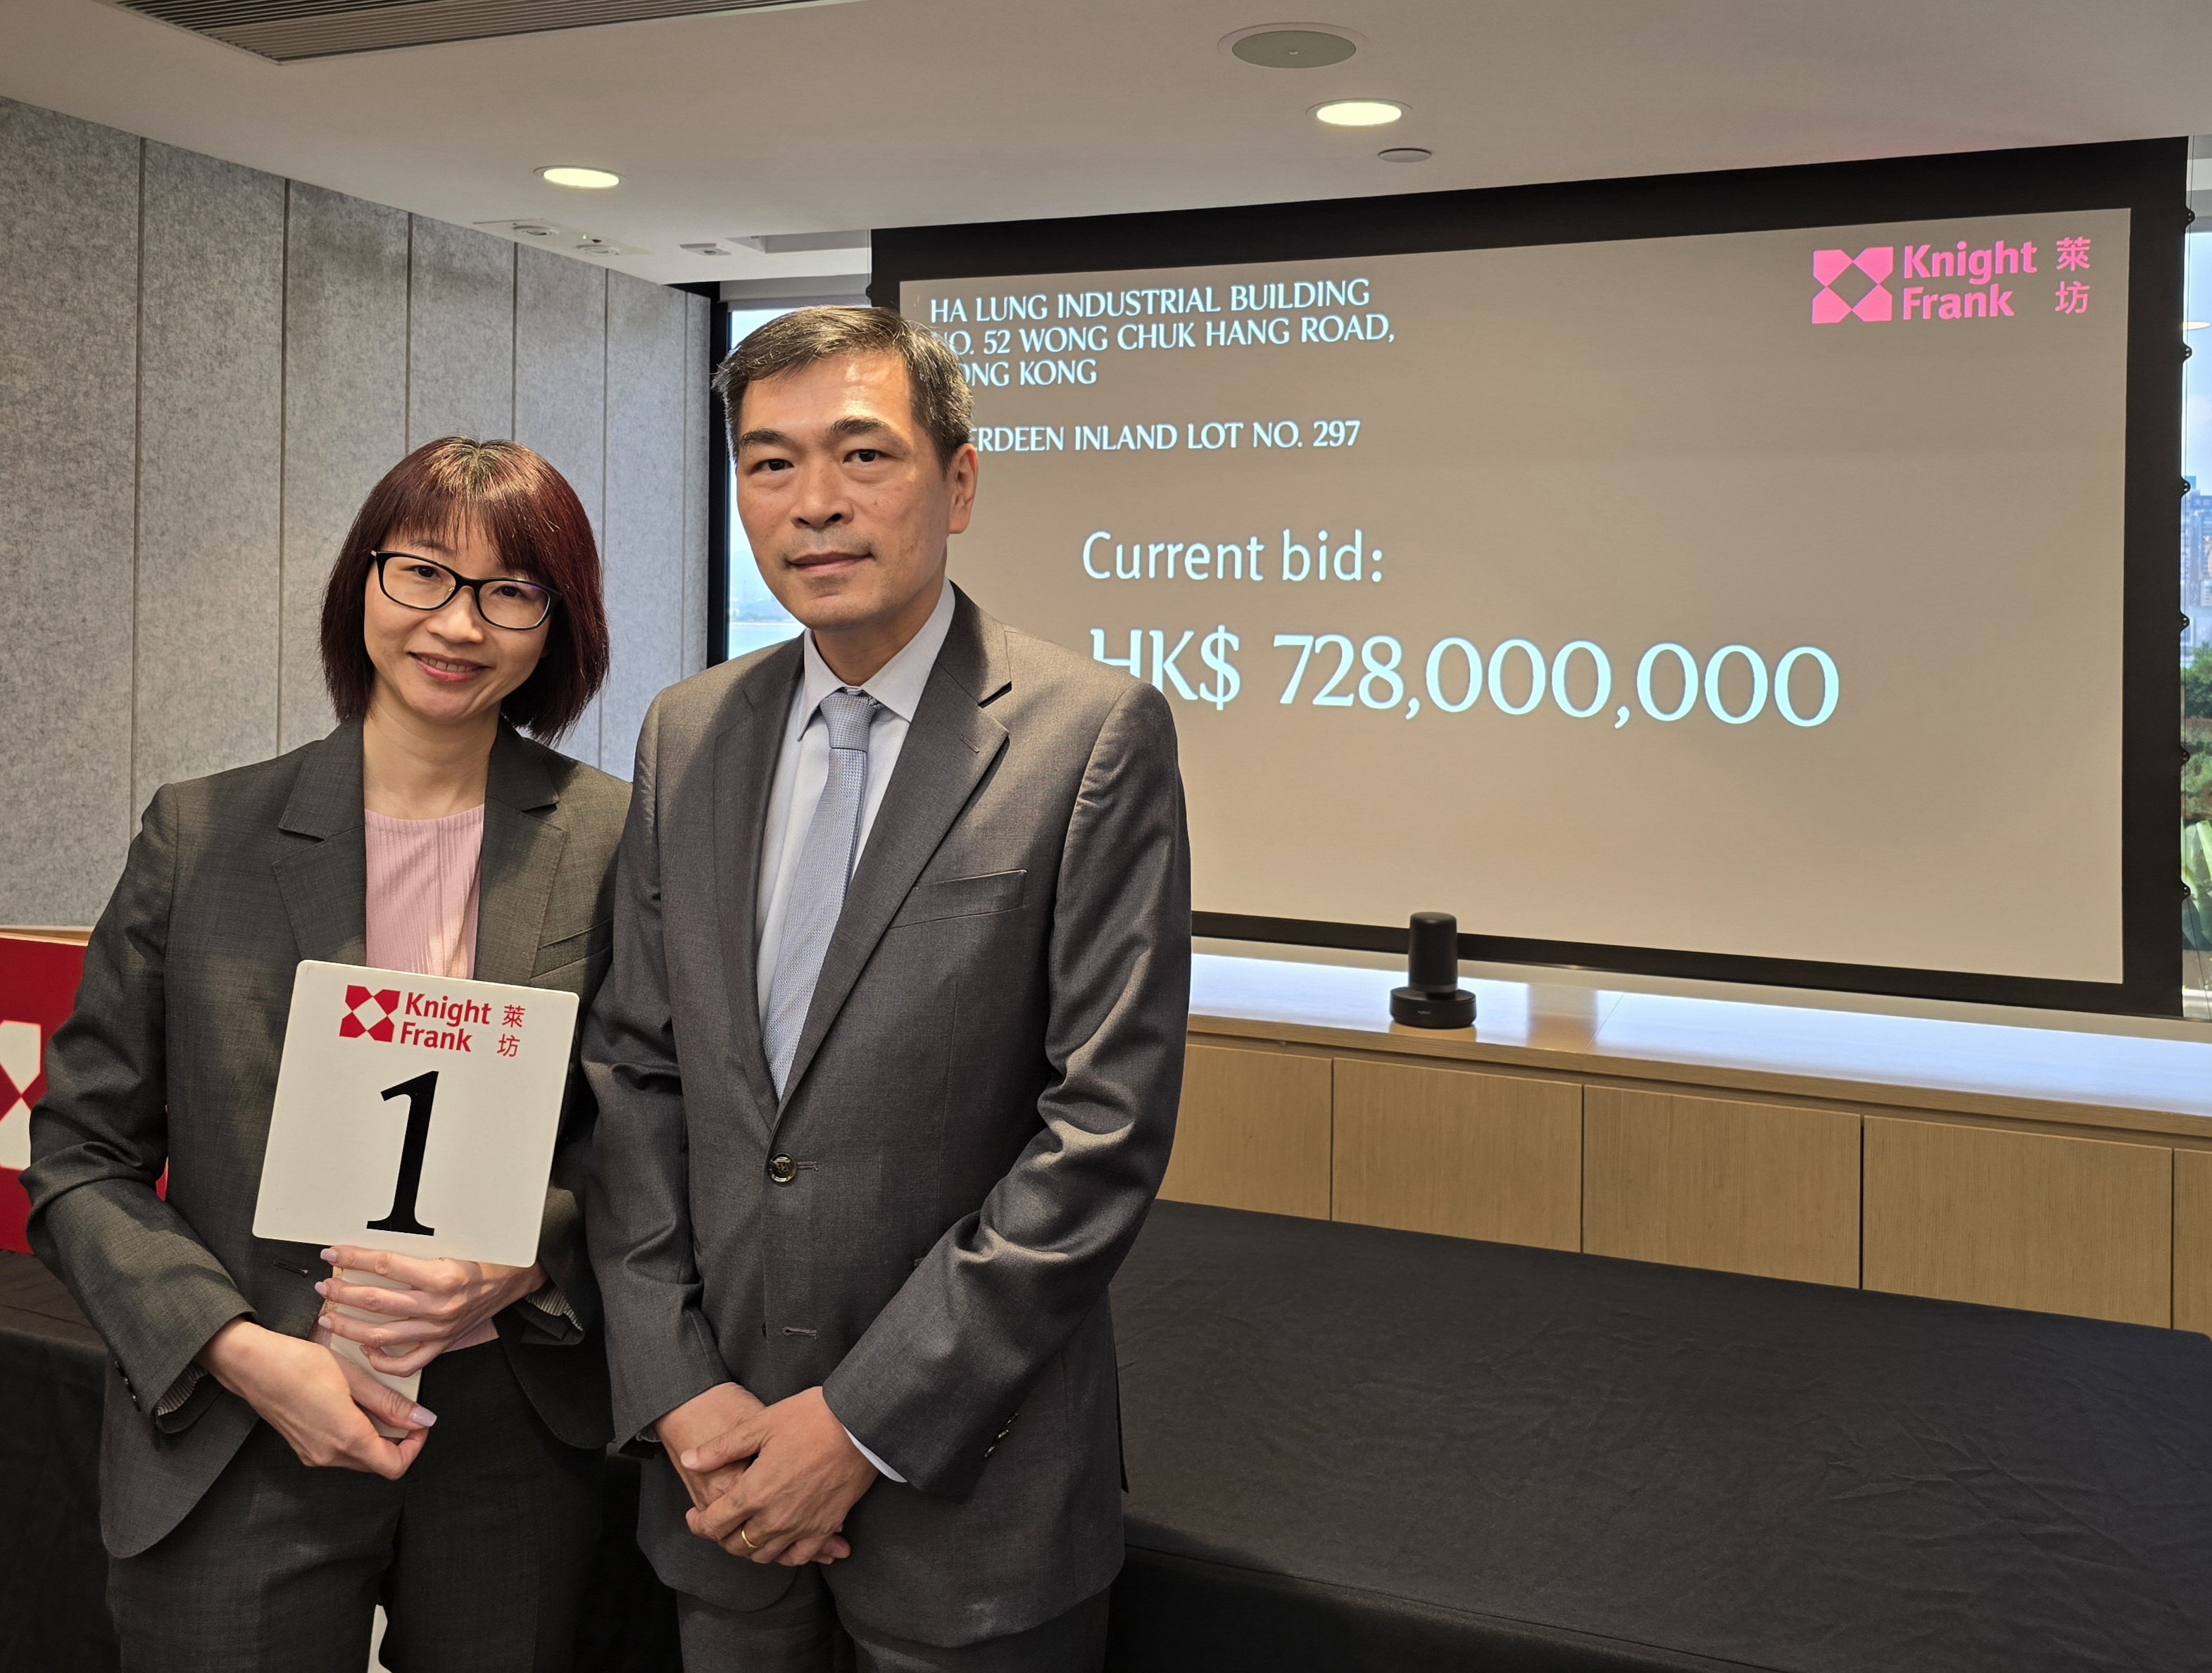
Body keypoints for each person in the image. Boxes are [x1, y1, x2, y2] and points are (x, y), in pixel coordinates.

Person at [584, 306, 1191, 1672]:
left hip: (971, 1503)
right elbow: (635, 1075)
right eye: (769, 463)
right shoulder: (688, 732)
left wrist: (857, 1424)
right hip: (717, 1474)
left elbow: (1099, 1133)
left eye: (862, 455)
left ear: (957, 482)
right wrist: (675, 1385)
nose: (814, 504)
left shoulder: (1088, 736)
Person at [25, 437, 629, 1673]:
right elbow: (79, 1158)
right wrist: (239, 1352)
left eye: (511, 590)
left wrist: (523, 1259)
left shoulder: (615, 839)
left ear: (556, 625)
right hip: (240, 1413)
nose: (457, 623)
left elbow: (649, 1137)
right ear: (362, 581)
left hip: (511, 1430)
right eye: (423, 573)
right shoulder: (202, 834)